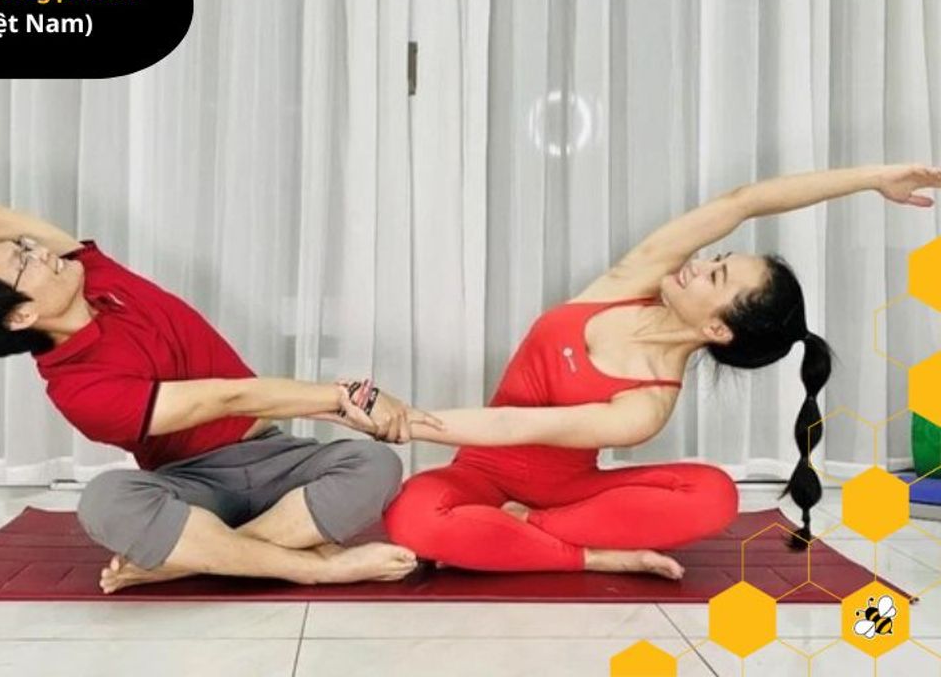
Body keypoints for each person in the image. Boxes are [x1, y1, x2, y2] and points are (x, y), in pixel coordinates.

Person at [0, 199, 443, 593]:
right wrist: (345, 395)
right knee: (106, 501)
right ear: (20, 315)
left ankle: (188, 559)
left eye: (26, 245)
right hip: (194, 483)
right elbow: (224, 399)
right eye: (24, 260)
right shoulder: (79, 389)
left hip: (277, 456)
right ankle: (304, 569)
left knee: (374, 465)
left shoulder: (94, 273)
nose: (39, 248)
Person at [338, 164, 941, 580]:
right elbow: (743, 201)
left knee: (714, 495)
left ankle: (531, 533)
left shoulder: (647, 404)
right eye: (717, 258)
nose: (699, 263)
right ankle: (594, 555)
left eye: (716, 276)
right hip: (478, 474)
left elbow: (519, 425)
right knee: (412, 517)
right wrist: (872, 179)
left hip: (560, 492)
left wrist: (408, 420)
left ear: (718, 330)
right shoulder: (632, 281)